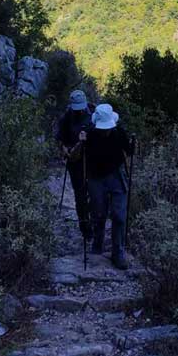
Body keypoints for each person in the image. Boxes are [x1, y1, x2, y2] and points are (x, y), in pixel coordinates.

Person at [80, 103, 134, 271]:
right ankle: (98, 242)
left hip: (116, 175)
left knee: (119, 215)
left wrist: (132, 144)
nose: (106, 130)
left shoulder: (119, 132)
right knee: (99, 211)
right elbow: (82, 153)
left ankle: (118, 253)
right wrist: (82, 140)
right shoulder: (89, 132)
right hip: (96, 176)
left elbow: (129, 150)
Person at [55, 90, 92, 240]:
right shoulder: (66, 117)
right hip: (74, 161)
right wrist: (64, 149)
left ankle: (94, 222)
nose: (79, 110)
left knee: (93, 193)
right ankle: (85, 226)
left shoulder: (93, 115)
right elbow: (60, 139)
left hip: (91, 160)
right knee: (80, 194)